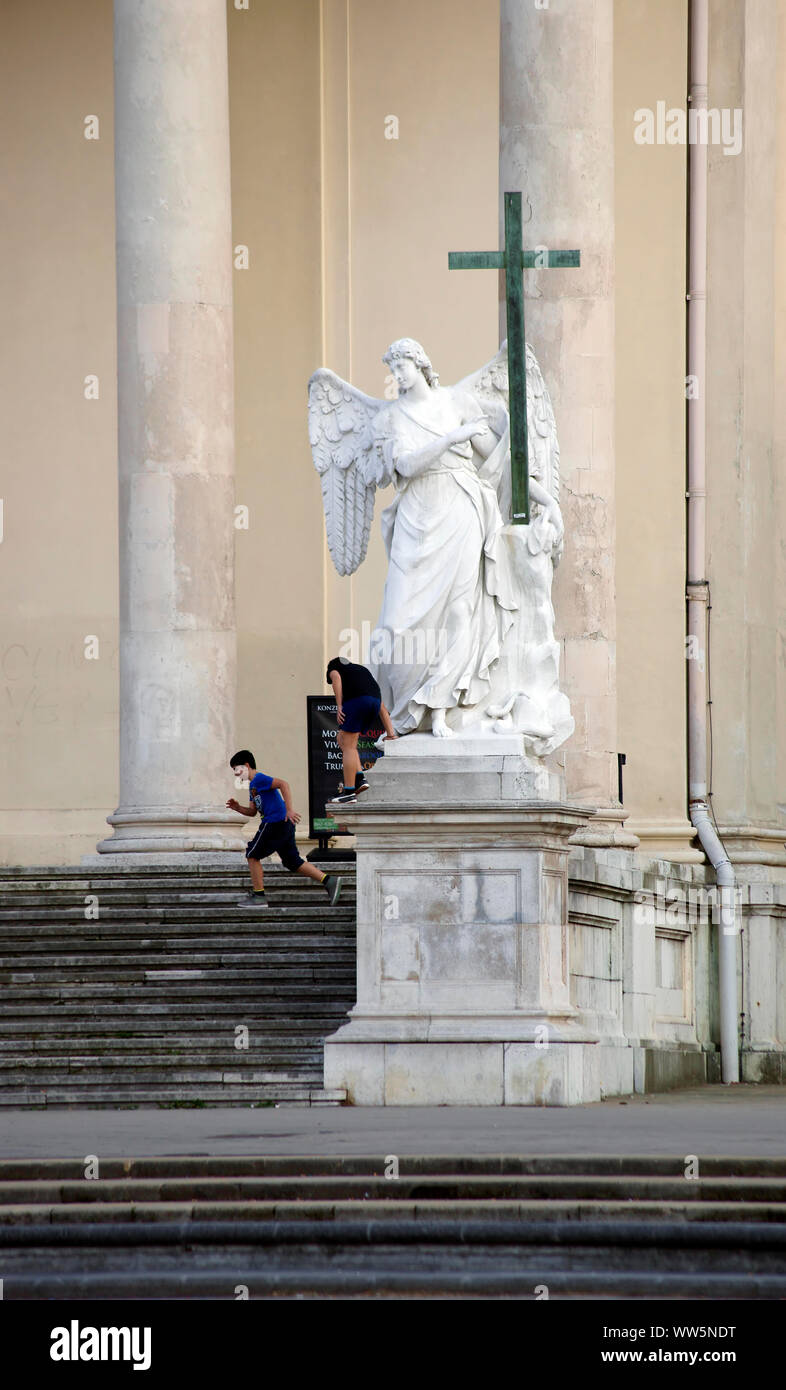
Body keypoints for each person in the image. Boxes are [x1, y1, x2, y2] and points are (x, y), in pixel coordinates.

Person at [227, 750, 342, 908]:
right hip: (282, 824)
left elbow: (283, 784)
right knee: (292, 861)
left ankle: (259, 896)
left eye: (236, 769)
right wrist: (237, 807)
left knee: (252, 855)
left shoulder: (259, 778)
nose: (235, 774)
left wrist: (289, 810)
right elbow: (252, 812)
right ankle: (329, 880)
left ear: (246, 766)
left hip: (275, 822)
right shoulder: (253, 787)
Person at [326, 657, 398, 804]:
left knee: (348, 746)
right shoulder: (361, 671)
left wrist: (339, 705)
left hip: (357, 702)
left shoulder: (335, 668)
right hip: (374, 703)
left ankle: (348, 792)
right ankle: (359, 778)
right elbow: (382, 707)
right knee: (342, 739)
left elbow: (336, 678)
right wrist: (391, 734)